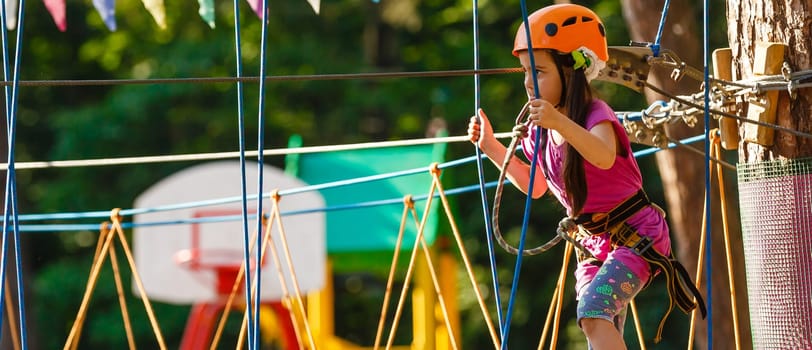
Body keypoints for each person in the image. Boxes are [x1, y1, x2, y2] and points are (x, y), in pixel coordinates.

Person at [467, 4, 703, 349]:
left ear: (574, 70)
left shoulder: (596, 114)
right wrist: (490, 145)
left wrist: (559, 122)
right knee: (594, 325)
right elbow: (535, 186)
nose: (529, 82)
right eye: (525, 72)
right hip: (593, 244)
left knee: (594, 313)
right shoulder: (541, 131)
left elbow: (604, 156)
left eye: (540, 72)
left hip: (637, 236)